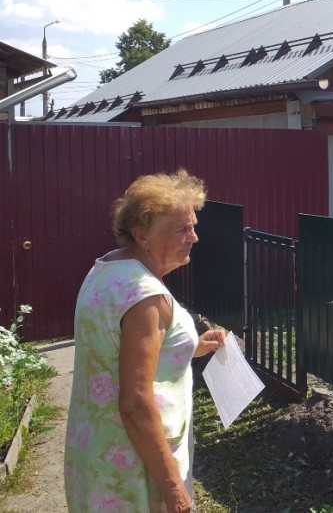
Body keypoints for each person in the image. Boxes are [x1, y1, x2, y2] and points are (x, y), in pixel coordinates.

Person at [64, 168, 225, 513]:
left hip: (97, 453)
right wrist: (175, 492)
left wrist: (192, 347)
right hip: (134, 470)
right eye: (182, 229)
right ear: (142, 236)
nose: (194, 237)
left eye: (194, 226)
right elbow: (135, 402)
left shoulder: (107, 269)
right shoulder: (145, 296)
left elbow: (118, 351)